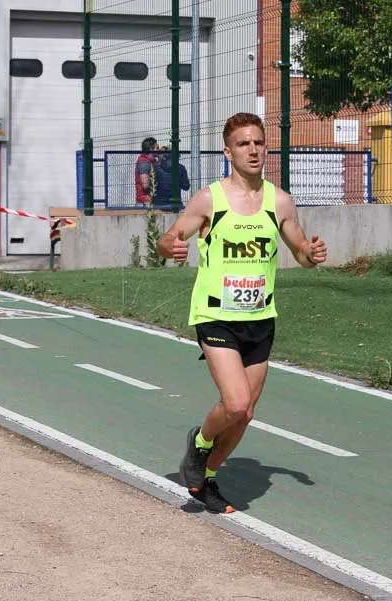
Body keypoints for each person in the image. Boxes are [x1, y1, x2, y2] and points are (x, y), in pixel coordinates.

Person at [156, 112, 328, 513]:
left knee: (245, 414)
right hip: (216, 316)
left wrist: (311, 254)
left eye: (258, 143)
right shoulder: (210, 199)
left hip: (260, 319)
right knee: (234, 403)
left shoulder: (279, 201)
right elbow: (170, 237)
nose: (252, 150)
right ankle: (199, 443)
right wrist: (171, 247)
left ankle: (206, 479)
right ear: (227, 152)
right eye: (243, 144)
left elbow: (301, 252)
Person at [152, 145, 190, 210]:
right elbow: (186, 186)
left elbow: (152, 185)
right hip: (175, 205)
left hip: (159, 205)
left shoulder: (156, 168)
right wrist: (178, 182)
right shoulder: (181, 168)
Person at [134, 136, 157, 206]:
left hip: (150, 201)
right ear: (151, 149)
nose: (158, 150)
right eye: (157, 147)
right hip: (145, 202)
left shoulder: (151, 162)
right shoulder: (144, 162)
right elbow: (145, 185)